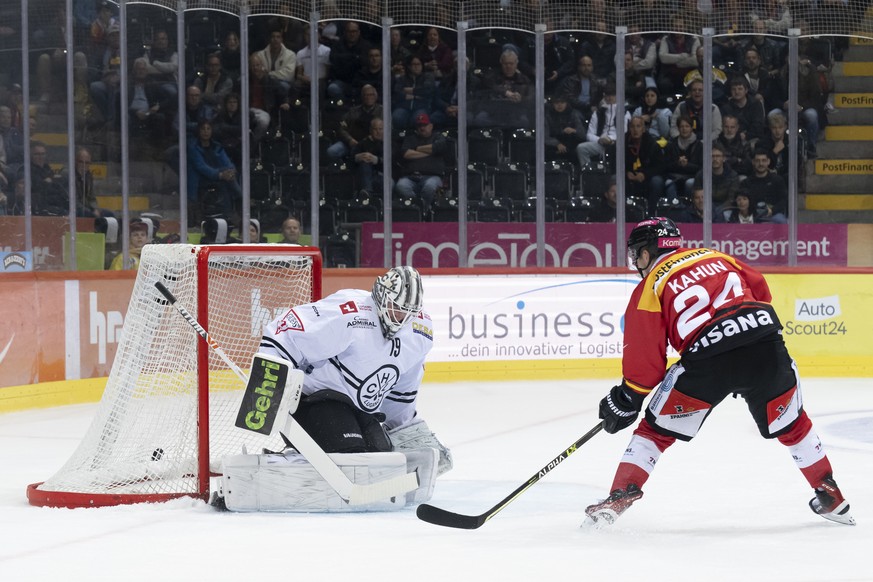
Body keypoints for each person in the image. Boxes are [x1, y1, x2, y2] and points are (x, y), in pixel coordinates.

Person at [584, 217, 855, 527]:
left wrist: (628, 396)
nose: (637, 262)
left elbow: (646, 359)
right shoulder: (715, 256)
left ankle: (618, 499)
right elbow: (761, 292)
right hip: (763, 345)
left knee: (653, 433)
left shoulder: (651, 284)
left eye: (637, 254)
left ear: (647, 252)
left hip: (707, 360)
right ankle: (832, 496)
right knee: (794, 424)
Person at [258, 266, 451, 470]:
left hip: (357, 410)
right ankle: (286, 462)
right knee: (352, 457)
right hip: (314, 401)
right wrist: (267, 383)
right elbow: (287, 332)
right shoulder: (351, 311)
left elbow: (402, 391)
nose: (400, 318)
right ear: (381, 296)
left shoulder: (420, 331)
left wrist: (404, 426)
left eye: (407, 312)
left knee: (381, 456)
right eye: (395, 307)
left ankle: (312, 455)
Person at [394, 113, 448, 208]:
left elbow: (438, 147)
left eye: (424, 125)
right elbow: (406, 154)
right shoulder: (410, 139)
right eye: (419, 126)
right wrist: (430, 152)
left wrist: (416, 148)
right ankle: (417, 207)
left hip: (432, 176)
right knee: (401, 186)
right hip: (410, 177)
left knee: (430, 187)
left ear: (431, 126)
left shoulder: (438, 137)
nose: (422, 128)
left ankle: (424, 209)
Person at [576, 81, 618, 170]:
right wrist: (600, 140)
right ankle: (589, 175)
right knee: (581, 148)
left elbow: (625, 133)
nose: (610, 97)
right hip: (600, 143)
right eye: (608, 95)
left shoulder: (624, 113)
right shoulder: (597, 113)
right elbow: (589, 134)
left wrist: (611, 140)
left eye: (613, 95)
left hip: (617, 144)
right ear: (604, 96)